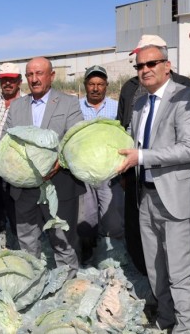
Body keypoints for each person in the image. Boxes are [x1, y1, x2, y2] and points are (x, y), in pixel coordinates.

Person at [117, 41, 190, 332]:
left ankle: (186, 326)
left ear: (167, 66)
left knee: (180, 271)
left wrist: (141, 157)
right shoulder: (141, 103)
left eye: (151, 64)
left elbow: (189, 150)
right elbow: (129, 143)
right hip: (147, 197)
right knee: (156, 269)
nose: (145, 70)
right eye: (140, 66)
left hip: (177, 198)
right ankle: (165, 319)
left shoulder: (187, 98)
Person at [4, 56, 85, 277]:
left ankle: (68, 290)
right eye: (30, 74)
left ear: (51, 76)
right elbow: (5, 140)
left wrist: (58, 162)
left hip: (58, 185)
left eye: (39, 73)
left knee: (63, 242)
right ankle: (32, 284)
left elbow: (76, 141)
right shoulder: (17, 106)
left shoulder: (68, 103)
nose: (34, 79)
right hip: (25, 189)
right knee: (27, 242)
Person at [77, 65, 122, 264]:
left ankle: (111, 256)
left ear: (106, 86)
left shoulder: (117, 107)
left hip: (110, 174)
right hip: (83, 174)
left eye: (100, 84)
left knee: (113, 221)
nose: (96, 88)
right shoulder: (75, 107)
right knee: (85, 220)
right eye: (92, 84)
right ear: (85, 85)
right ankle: (87, 256)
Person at [0, 62, 23, 248]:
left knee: (15, 202)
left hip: (16, 163)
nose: (8, 83)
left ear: (19, 81)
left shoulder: (26, 102)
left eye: (12, 80)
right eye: (4, 80)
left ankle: (18, 237)